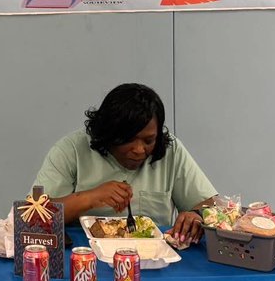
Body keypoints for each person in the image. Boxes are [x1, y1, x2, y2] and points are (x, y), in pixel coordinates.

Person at [32, 83, 218, 244]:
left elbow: (210, 205)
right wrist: (89, 198)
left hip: (156, 259)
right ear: (107, 134)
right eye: (128, 139)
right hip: (84, 257)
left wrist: (197, 215)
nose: (139, 150)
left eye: (149, 141)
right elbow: (33, 216)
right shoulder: (71, 149)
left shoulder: (171, 150)